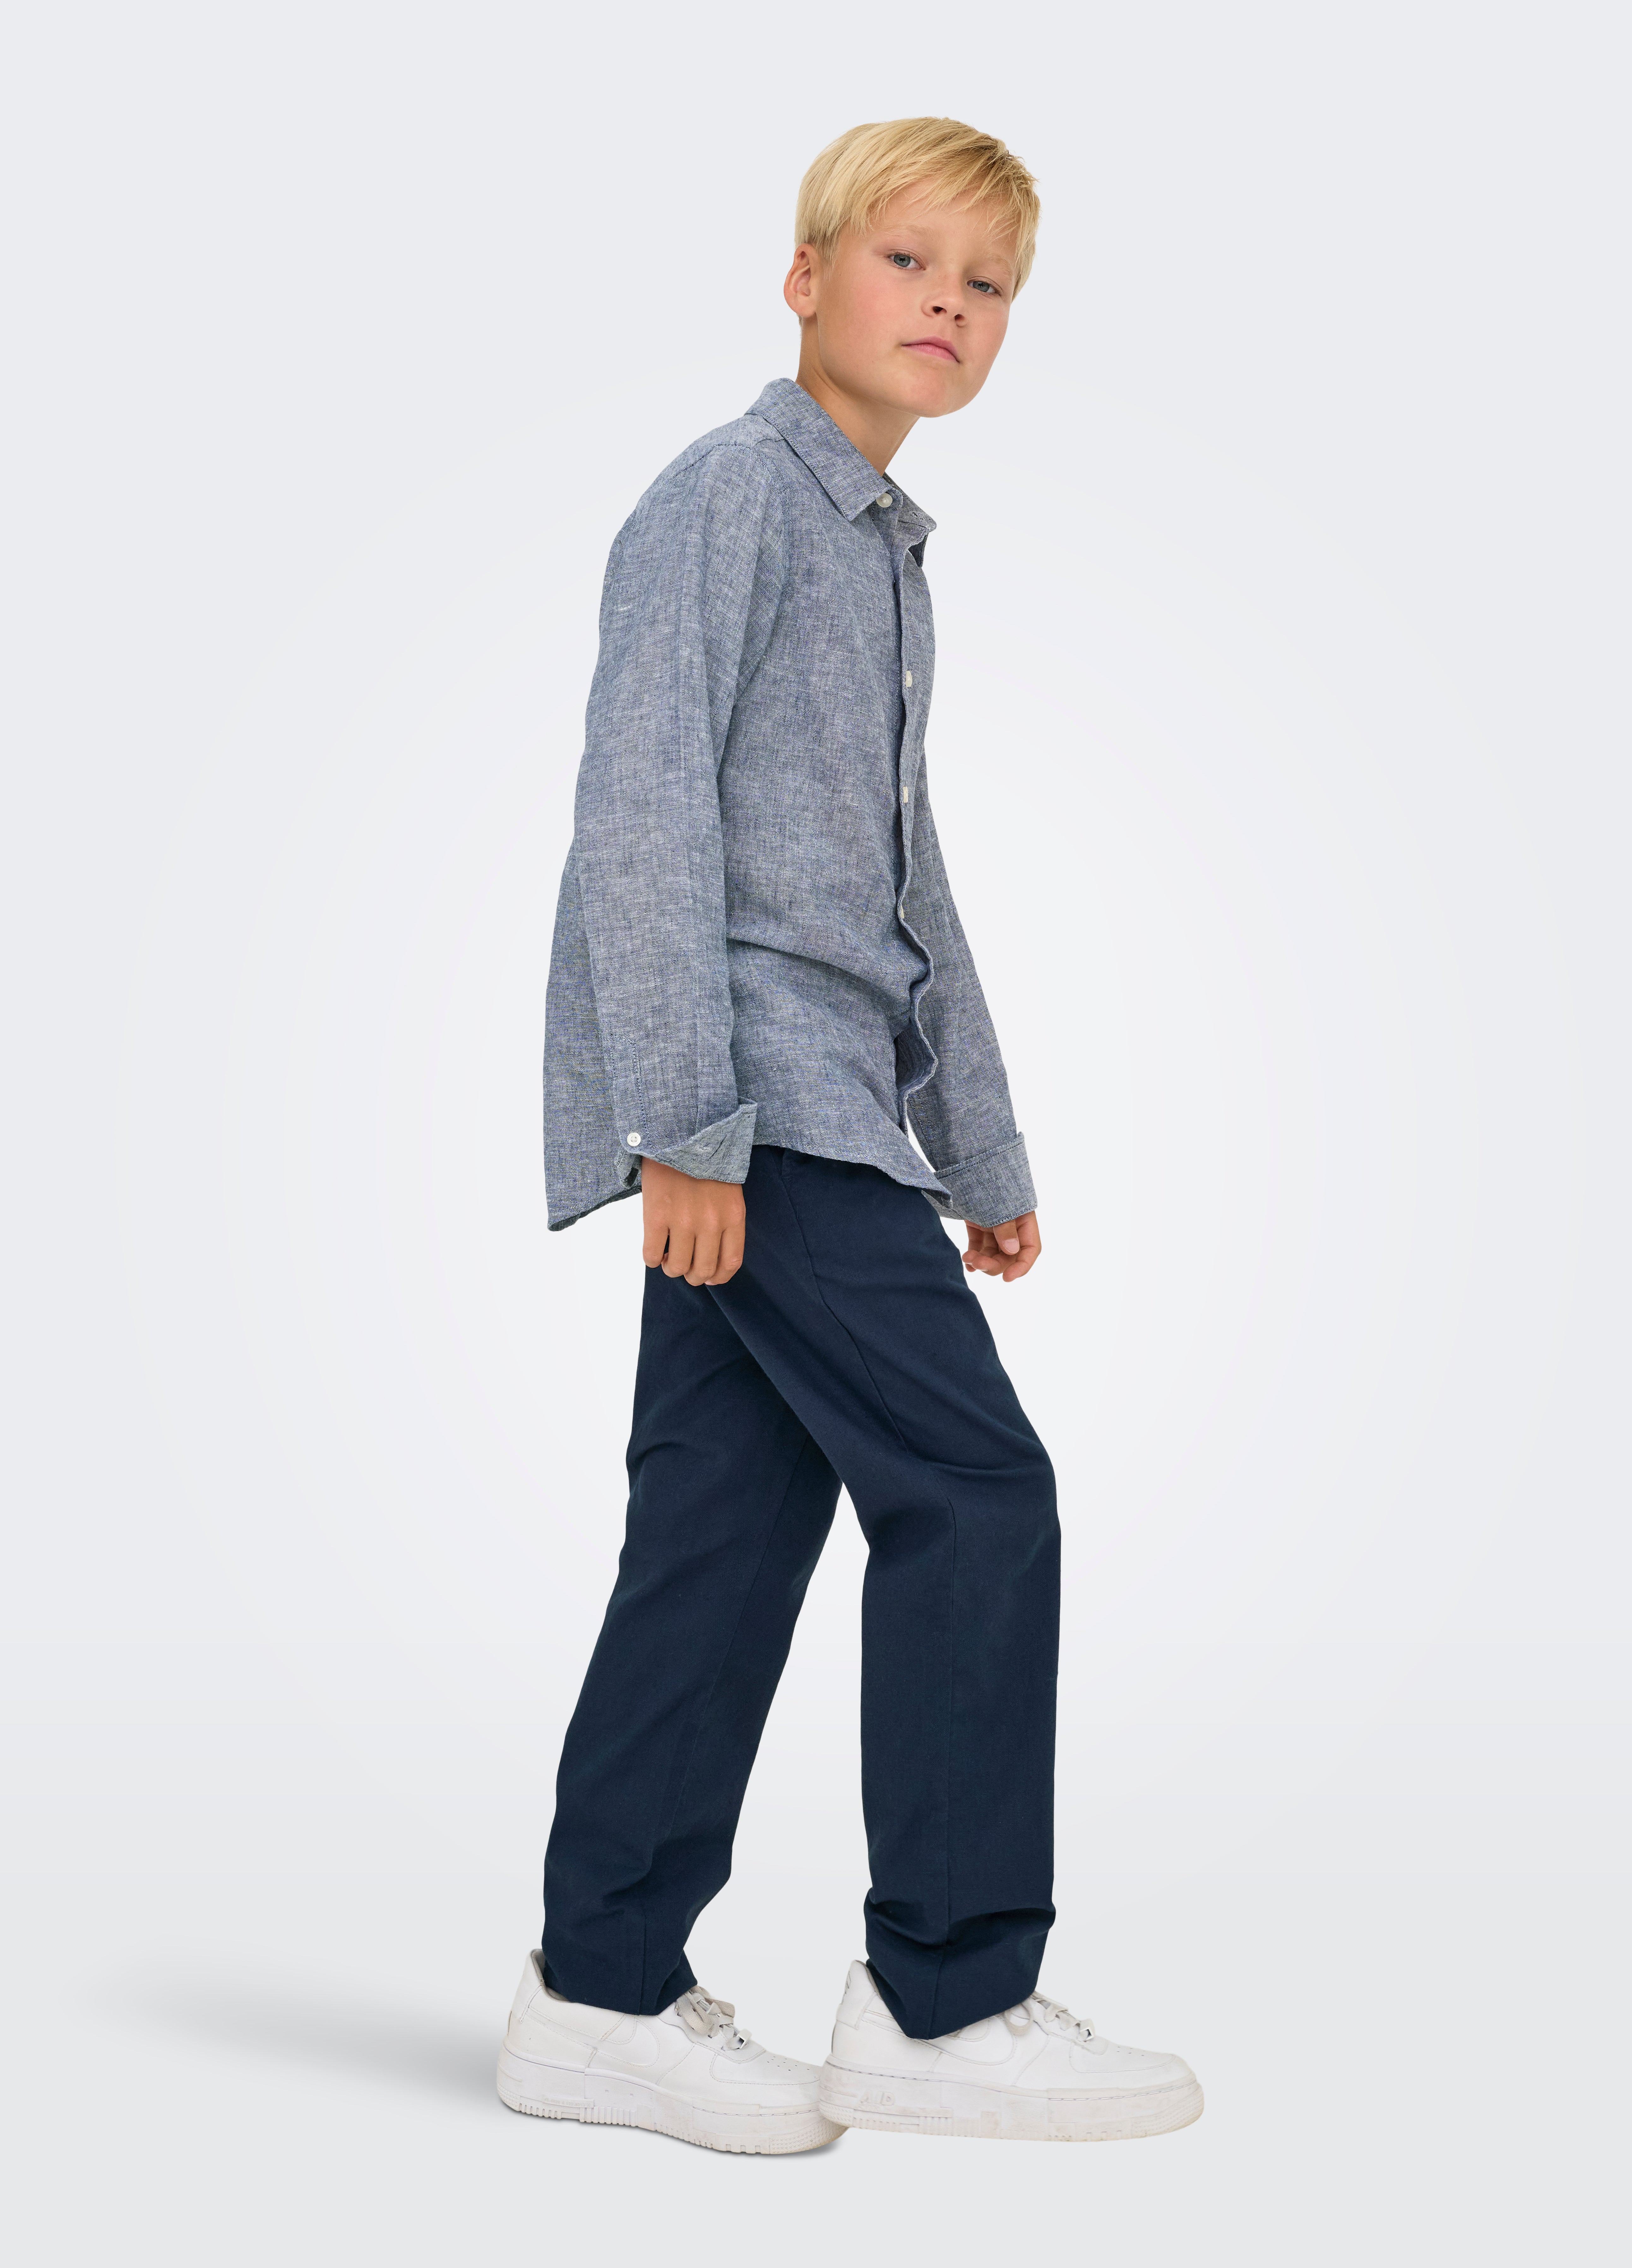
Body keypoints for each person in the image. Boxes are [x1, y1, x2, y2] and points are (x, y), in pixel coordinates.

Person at [496, 116, 1201, 2153]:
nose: (949, 307)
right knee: (977, 1493)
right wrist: (688, 1126)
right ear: (805, 278)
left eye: (988, 288)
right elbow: (641, 815)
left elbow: (905, 882)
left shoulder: (879, 549)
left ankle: (597, 1988)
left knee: (719, 1543)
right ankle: (945, 1996)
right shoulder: (730, 497)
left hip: (823, 1116)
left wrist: (981, 1146)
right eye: (910, 263)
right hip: (760, 1109)